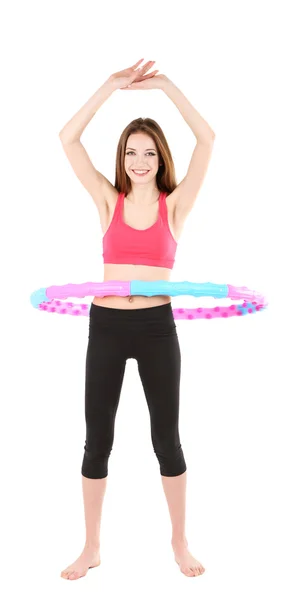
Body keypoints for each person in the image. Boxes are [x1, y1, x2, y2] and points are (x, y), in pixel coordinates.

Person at [59, 59, 215, 580]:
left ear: (160, 158)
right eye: (132, 152)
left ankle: (179, 541)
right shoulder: (109, 200)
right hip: (104, 325)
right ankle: (90, 546)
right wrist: (109, 85)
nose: (141, 160)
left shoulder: (176, 207)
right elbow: (68, 138)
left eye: (149, 152)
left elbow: (208, 139)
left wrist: (168, 85)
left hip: (155, 328)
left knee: (165, 439)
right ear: (122, 159)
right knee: (96, 439)